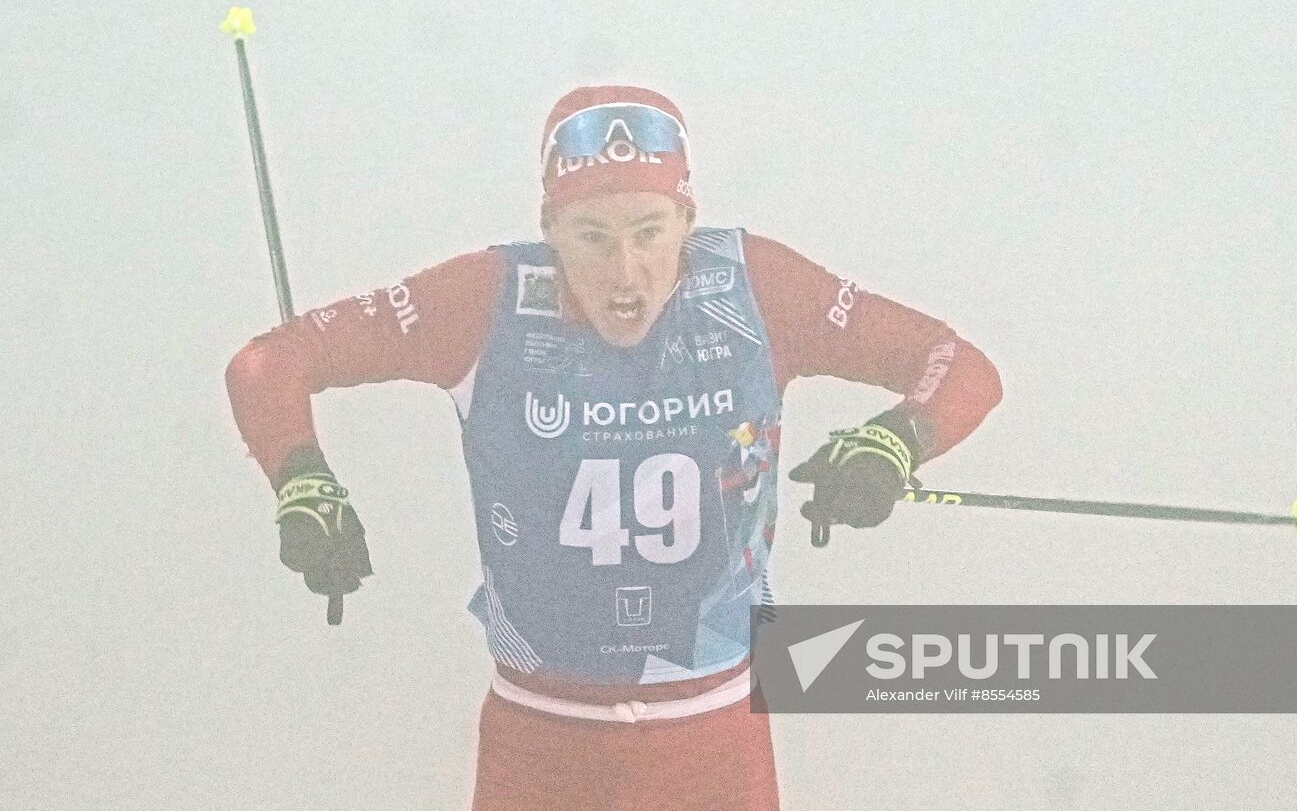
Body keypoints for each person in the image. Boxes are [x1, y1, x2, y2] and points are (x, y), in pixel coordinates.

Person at [225, 85, 1002, 810]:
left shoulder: (755, 288)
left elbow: (958, 364)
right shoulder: (487, 299)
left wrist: (892, 441)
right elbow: (269, 361)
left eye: (648, 232)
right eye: (591, 237)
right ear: (549, 228)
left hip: (716, 743)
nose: (624, 271)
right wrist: (304, 481)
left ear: (686, 220)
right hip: (541, 746)